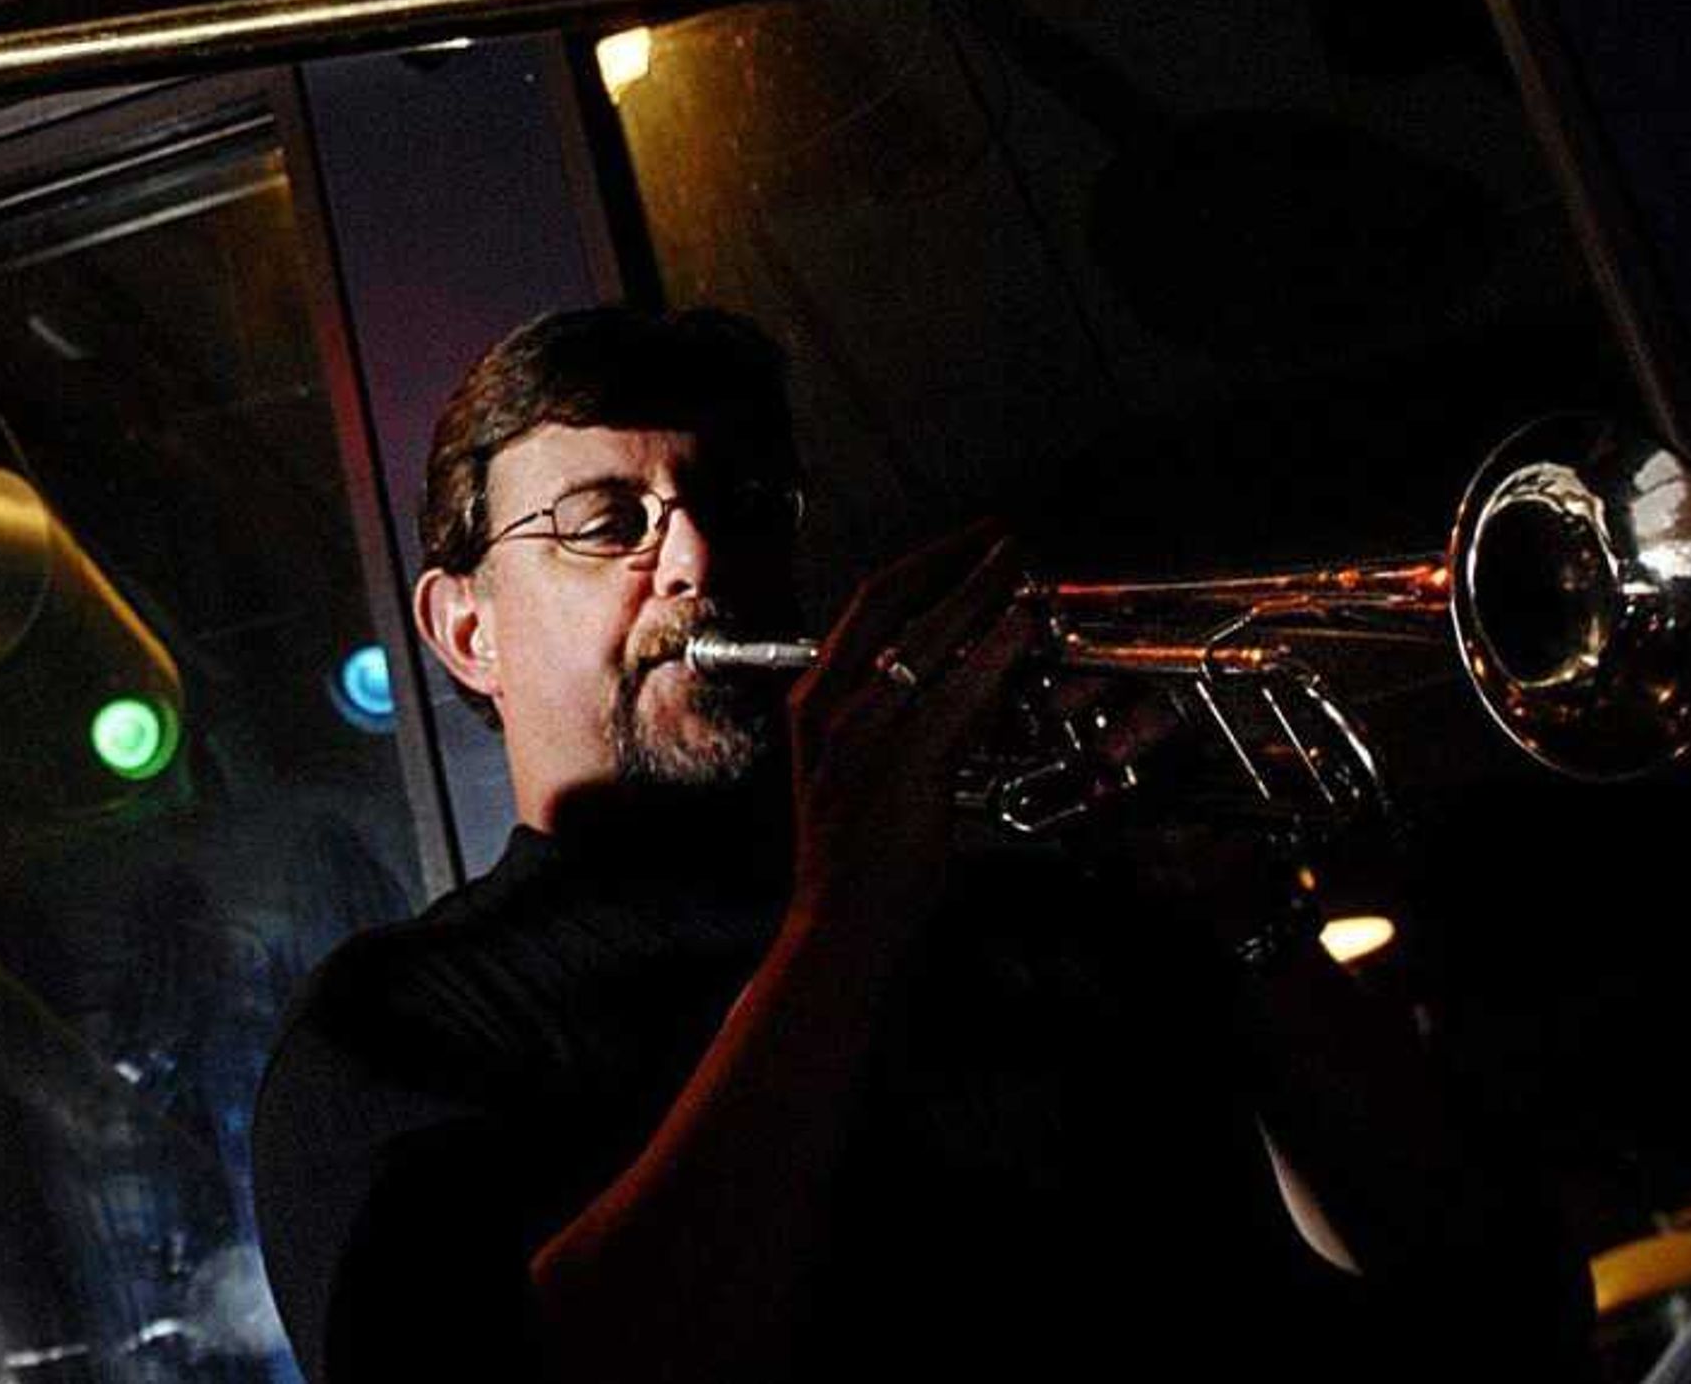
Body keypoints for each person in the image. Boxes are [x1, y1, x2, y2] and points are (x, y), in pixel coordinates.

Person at [250, 305, 1585, 1384]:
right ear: (465, 627)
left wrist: (1247, 926)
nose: (698, 556)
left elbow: (1503, 1313)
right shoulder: (403, 1024)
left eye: (744, 503)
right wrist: (849, 911)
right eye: (609, 522)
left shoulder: (1034, 887)